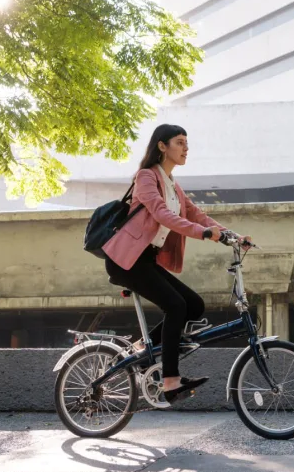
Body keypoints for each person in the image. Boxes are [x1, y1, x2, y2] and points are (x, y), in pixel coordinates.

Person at [101, 123, 252, 404]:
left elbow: (197, 214)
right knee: (175, 305)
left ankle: (140, 349)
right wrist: (203, 234)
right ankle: (170, 380)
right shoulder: (146, 177)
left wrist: (233, 236)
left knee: (193, 305)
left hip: (145, 260)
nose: (186, 148)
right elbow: (160, 213)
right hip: (125, 260)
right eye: (180, 142)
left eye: (187, 143)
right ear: (162, 146)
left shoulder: (173, 185)